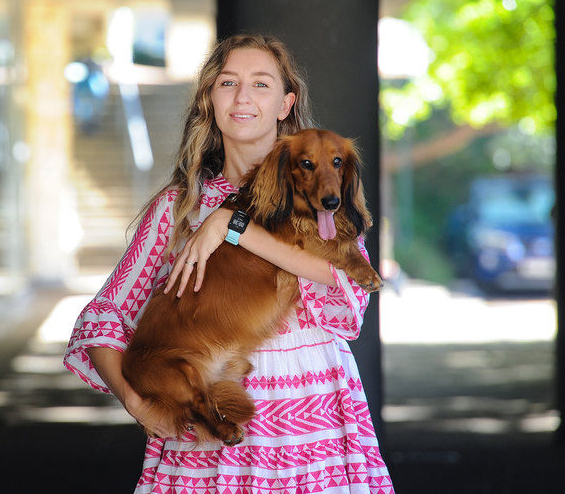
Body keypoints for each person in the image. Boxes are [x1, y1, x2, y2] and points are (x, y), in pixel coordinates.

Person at [64, 33, 395, 493]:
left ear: (286, 104)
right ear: (209, 99)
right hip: (208, 441)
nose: (243, 97)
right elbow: (104, 317)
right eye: (228, 83)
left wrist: (232, 226)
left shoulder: (320, 189)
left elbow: (347, 287)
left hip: (316, 428)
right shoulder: (178, 208)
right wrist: (138, 404)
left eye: (261, 84)